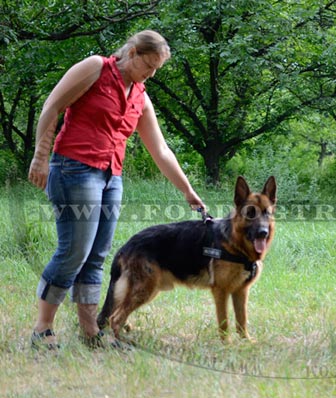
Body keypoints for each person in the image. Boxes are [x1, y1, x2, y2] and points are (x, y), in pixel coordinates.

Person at [28, 30, 205, 349]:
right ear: (133, 52)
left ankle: (90, 333)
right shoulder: (95, 68)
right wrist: (41, 157)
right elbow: (52, 106)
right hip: (74, 168)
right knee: (73, 252)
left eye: (156, 70)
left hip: (112, 178)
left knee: (96, 256)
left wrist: (187, 191)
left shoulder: (141, 95)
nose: (150, 74)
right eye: (148, 65)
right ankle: (42, 330)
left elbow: (161, 150)